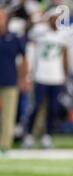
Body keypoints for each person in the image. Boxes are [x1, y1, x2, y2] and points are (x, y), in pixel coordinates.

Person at [22, 8, 69, 149]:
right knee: (36, 107)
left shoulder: (62, 34)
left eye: (57, 18)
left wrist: (66, 74)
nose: (55, 20)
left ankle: (47, 136)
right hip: (41, 75)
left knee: (53, 109)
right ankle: (29, 135)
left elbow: (65, 55)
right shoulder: (40, 32)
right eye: (52, 18)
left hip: (56, 76)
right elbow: (28, 34)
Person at [0, 7, 28, 153]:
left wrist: (23, 78)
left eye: (2, 17)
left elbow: (23, 58)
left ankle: (5, 145)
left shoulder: (14, 37)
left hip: (10, 80)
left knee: (9, 115)